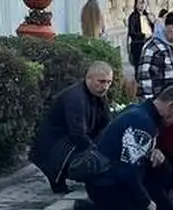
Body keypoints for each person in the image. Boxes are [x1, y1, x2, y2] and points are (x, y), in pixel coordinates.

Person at [72, 85, 173, 210]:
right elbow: (127, 170)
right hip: (108, 183)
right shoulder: (142, 122)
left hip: (120, 177)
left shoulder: (142, 113)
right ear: (171, 106)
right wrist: (145, 201)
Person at [28, 61, 115, 193]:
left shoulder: (98, 96)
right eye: (101, 81)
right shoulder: (75, 98)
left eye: (109, 82)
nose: (105, 86)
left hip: (68, 140)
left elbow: (106, 123)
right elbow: (77, 133)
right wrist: (97, 154)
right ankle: (59, 179)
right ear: (89, 78)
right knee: (88, 157)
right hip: (54, 144)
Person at [126, 0, 154, 70]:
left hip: (149, 42)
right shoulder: (133, 16)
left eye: (144, 3)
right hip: (138, 44)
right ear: (136, 4)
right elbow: (131, 32)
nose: (142, 5)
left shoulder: (147, 15)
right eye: (140, 3)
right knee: (138, 66)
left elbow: (153, 28)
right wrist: (143, 35)